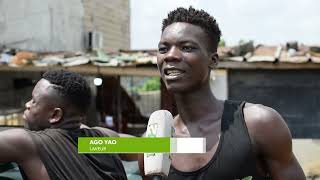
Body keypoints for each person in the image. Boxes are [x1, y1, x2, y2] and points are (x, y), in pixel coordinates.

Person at [139, 7, 305, 179]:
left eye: (187, 48)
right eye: (163, 49)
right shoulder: (151, 146)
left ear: (213, 60)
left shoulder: (259, 124)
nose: (170, 56)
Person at [0, 70, 129, 180]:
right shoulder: (100, 140)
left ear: (55, 115)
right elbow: (146, 146)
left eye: (34, 101)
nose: (27, 104)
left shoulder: (27, 143)